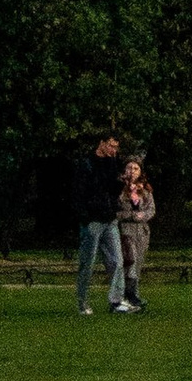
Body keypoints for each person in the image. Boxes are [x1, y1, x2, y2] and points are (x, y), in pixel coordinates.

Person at [73, 132, 126, 317]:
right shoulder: (87, 164)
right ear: (101, 143)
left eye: (116, 147)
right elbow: (80, 193)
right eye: (111, 146)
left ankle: (116, 301)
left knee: (118, 261)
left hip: (109, 219)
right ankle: (82, 302)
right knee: (88, 263)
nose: (114, 150)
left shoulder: (113, 163)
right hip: (93, 220)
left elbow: (113, 188)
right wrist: (85, 217)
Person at [114, 153, 155, 312]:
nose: (132, 171)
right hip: (125, 231)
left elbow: (151, 209)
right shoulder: (119, 189)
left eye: (136, 168)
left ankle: (133, 295)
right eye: (130, 167)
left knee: (137, 264)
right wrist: (131, 215)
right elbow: (116, 212)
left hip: (142, 231)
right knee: (128, 263)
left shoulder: (145, 190)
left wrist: (143, 216)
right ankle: (126, 296)